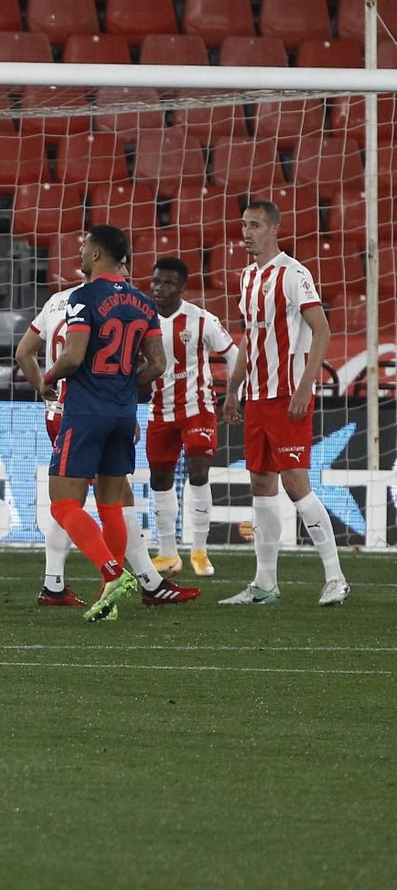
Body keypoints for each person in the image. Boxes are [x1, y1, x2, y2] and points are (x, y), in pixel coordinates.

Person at [43, 226, 200, 622]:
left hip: (85, 412)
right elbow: (159, 365)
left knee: (63, 503)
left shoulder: (83, 298)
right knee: (111, 503)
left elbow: (75, 356)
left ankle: (111, 572)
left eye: (83, 248)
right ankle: (106, 598)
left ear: (97, 255)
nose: (79, 252)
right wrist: (122, 384)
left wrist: (49, 377)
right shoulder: (145, 303)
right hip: (123, 413)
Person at [220, 201, 350, 607]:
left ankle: (336, 577)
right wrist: (232, 388)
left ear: (274, 229)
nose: (246, 233)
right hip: (257, 397)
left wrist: (304, 388)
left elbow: (322, 331)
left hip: (287, 395)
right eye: (243, 225)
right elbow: (249, 340)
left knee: (295, 482)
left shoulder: (294, 274)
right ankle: (265, 584)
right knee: (261, 482)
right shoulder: (247, 278)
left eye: (255, 225)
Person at [145, 257, 238, 579]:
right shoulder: (142, 320)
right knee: (160, 480)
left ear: (183, 287)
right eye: (156, 281)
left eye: (168, 283)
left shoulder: (201, 320)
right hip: (159, 411)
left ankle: (199, 549)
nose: (159, 288)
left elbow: (234, 353)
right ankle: (168, 554)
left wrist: (235, 393)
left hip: (198, 407)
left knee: (198, 472)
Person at [14, 281, 84, 607]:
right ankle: (136, 578)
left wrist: (42, 385)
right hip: (86, 411)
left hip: (55, 412)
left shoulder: (56, 300)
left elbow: (23, 351)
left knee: (70, 501)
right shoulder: (101, 300)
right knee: (114, 495)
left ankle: (53, 584)